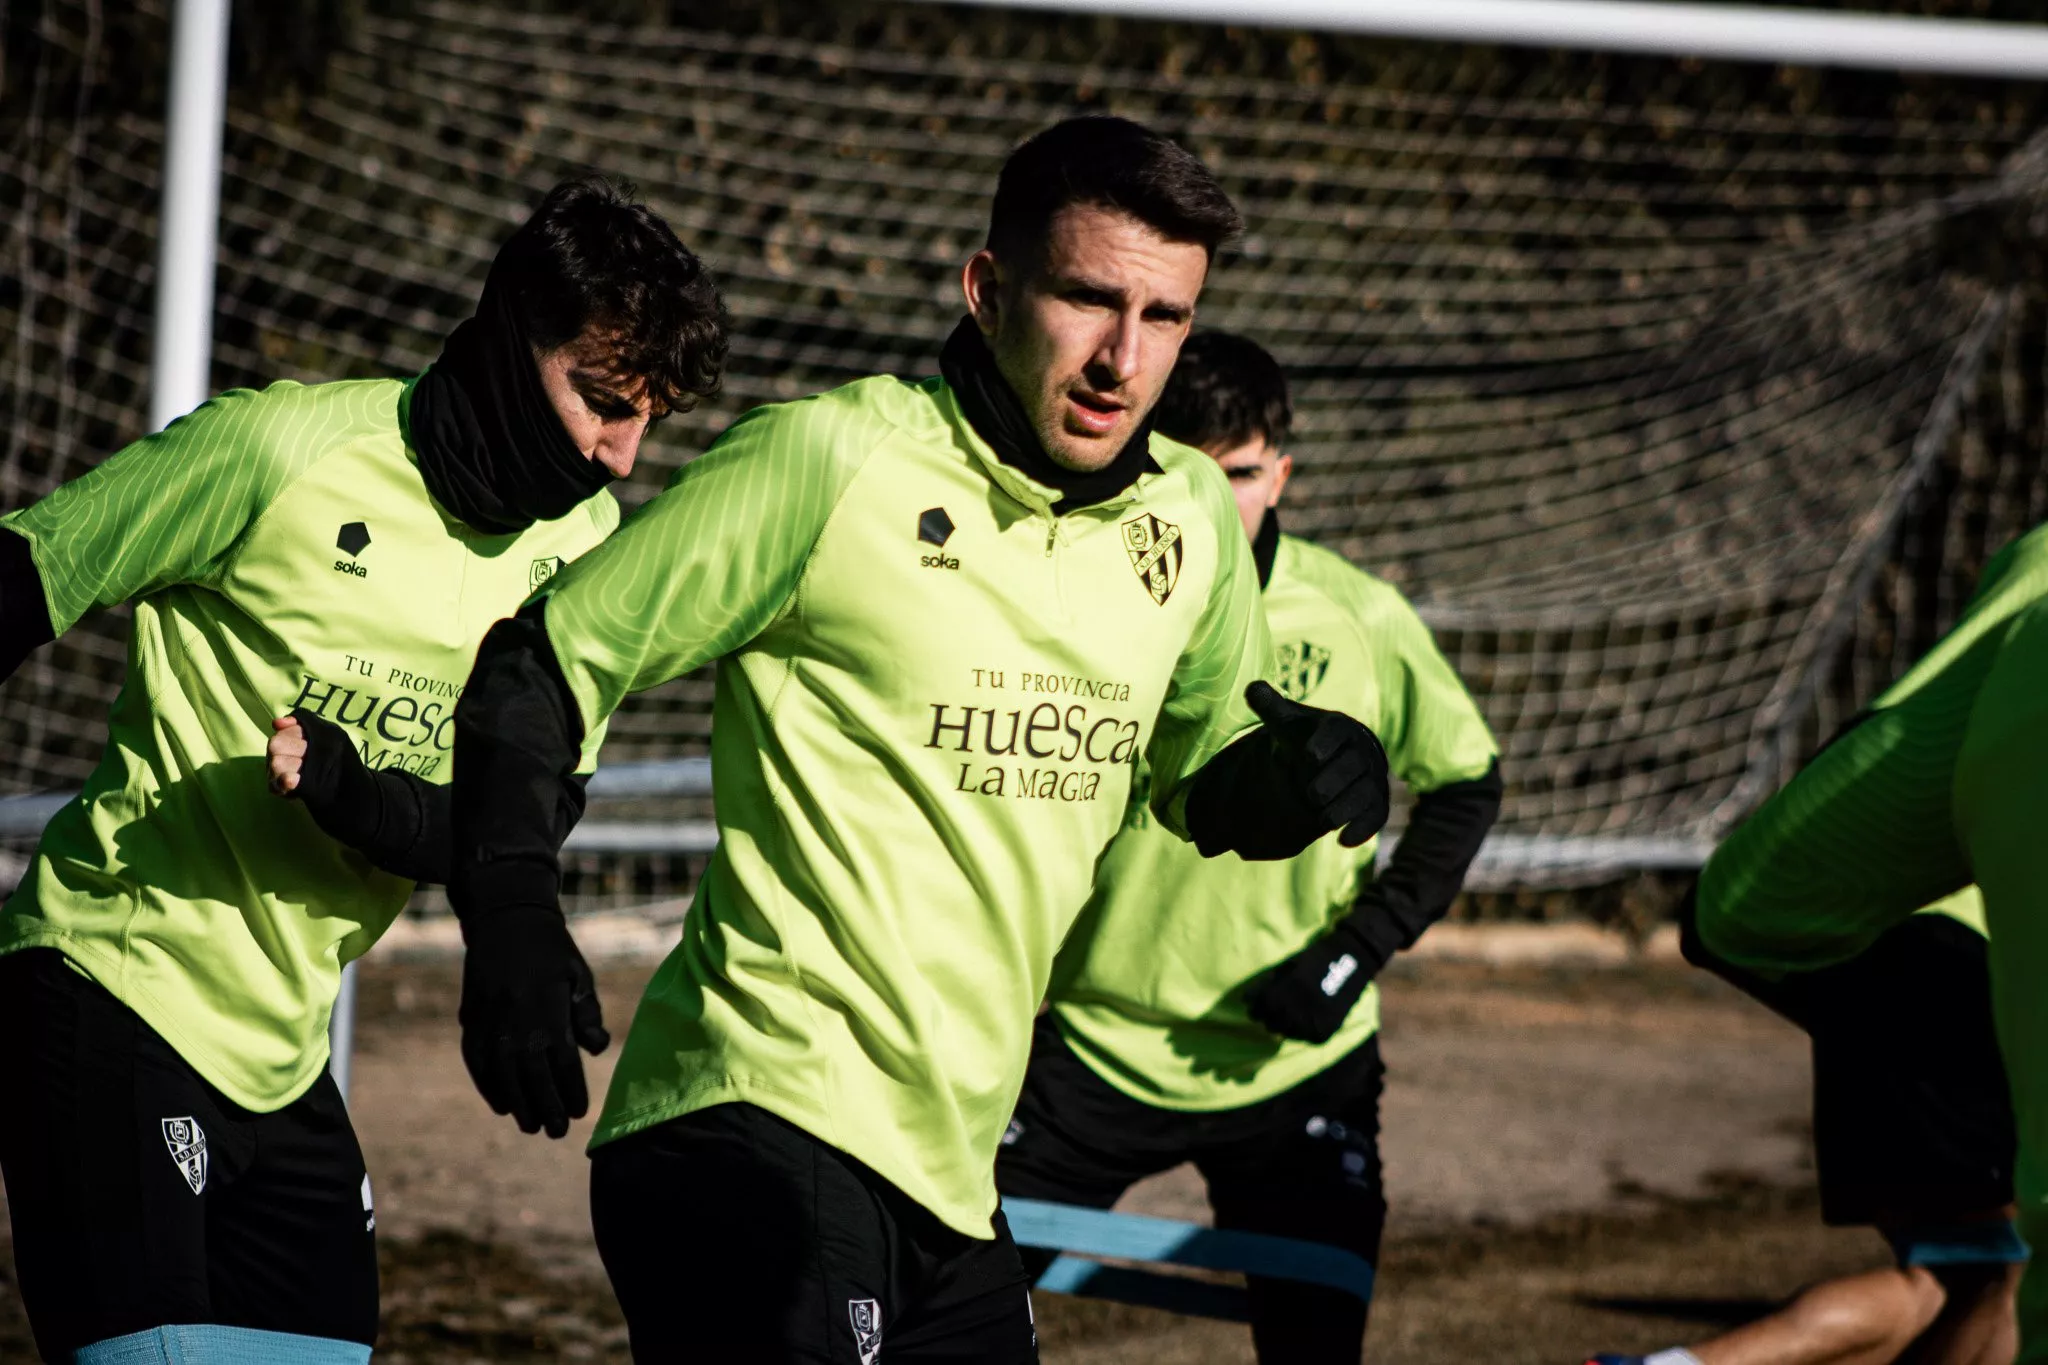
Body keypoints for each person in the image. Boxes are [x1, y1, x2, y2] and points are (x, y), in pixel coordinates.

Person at [445, 117, 1393, 1363]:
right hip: (752, 1109)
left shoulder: (1190, 528)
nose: (1122, 356)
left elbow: (1199, 766)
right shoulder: (831, 459)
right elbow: (544, 662)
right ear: (988, 288)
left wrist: (1297, 780)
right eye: (1086, 300)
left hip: (950, 1176)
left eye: (1163, 318)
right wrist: (510, 908)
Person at [0, 178, 727, 1364]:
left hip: (287, 1057)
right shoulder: (282, 450)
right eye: (601, 403)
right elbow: (22, 581)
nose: (622, 458)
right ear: (508, 338)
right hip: (112, 981)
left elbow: (510, 831)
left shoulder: (581, 550)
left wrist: (360, 801)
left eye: (647, 420)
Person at [994, 330, 1502, 1363]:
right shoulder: (1068, 597)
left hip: (1294, 1067)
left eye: (1239, 474)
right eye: (1190, 469)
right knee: (924, 1295)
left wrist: (1357, 949)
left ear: (1281, 470)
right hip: (1094, 1047)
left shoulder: (1359, 614)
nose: (1216, 503)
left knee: (1315, 1342)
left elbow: (1466, 784)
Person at [1587, 522, 2048, 1365]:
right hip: (1962, 968)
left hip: (1870, 942)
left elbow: (1742, 907)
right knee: (1995, 1274)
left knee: (1936, 1277)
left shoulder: (2019, 582)